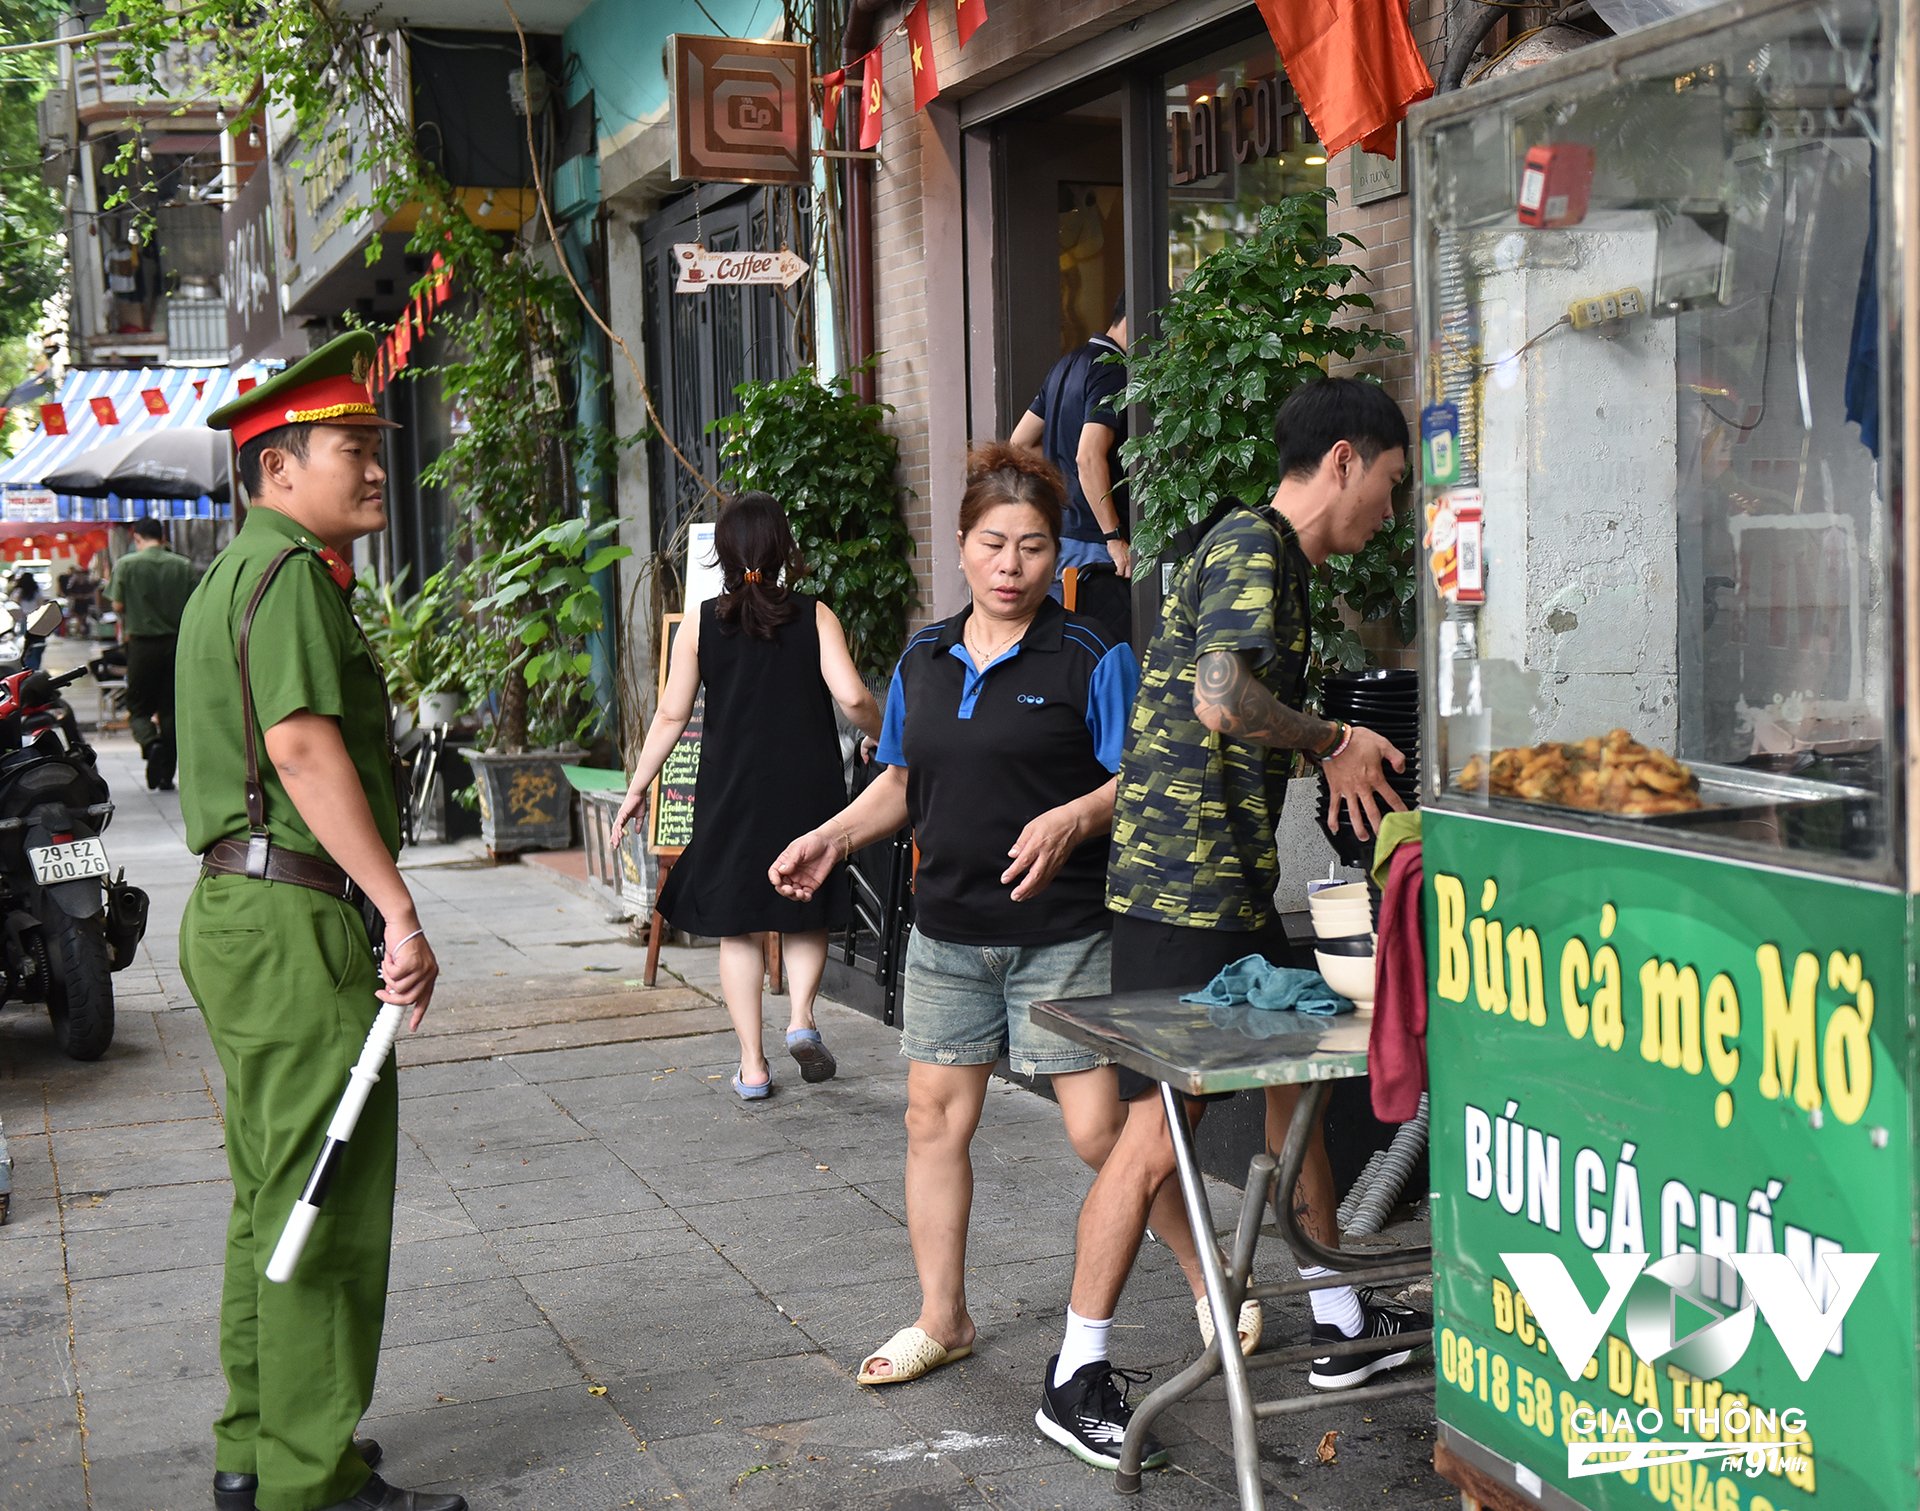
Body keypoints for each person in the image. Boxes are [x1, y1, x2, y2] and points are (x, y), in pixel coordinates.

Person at [1035, 378, 1428, 1470]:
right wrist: (1329, 740)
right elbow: (1218, 697)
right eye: (1391, 487)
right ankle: (1075, 1369)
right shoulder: (1255, 542)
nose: (1389, 516)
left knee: (1290, 1085)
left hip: (1222, 886)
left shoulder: (1273, 563)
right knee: (1156, 1133)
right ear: (1343, 460)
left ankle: (1341, 1324)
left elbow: (1193, 715)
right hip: (1185, 892)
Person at [768, 444, 1214, 1406]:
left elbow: (1137, 776)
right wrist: (831, 838)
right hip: (949, 934)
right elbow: (898, 780)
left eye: (1034, 547)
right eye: (992, 544)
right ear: (963, 549)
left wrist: (1073, 816)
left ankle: (1215, 1288)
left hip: (1063, 931)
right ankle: (944, 1317)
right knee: (934, 1122)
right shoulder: (924, 658)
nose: (1011, 564)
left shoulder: (1093, 655)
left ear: (1057, 558)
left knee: (1103, 1134)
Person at [181, 331, 463, 1511]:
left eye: (373, 447)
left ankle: (260, 1443)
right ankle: (310, 1475)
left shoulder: (232, 571)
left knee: (270, 1188)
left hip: (243, 911)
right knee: (322, 1196)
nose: (374, 469)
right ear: (278, 466)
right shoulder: (288, 573)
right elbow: (303, 748)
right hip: (293, 914)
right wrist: (398, 910)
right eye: (352, 448)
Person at [611, 493, 881, 1096]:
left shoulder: (703, 623)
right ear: (785, 547)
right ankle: (802, 1021)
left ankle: (753, 1066)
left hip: (729, 791)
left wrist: (637, 789)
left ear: (724, 556)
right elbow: (855, 699)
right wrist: (889, 740)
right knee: (804, 904)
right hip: (806, 784)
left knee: (738, 927)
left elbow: (670, 717)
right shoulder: (815, 615)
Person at [1010, 294, 1132, 587]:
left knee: (1065, 631)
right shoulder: (1113, 371)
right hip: (1097, 541)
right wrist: (1114, 538)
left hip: (1064, 534)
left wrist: (1067, 473)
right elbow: (1088, 457)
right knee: (1097, 632)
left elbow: (1020, 443)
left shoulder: (1066, 364)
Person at [108, 516, 198, 790]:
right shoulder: (182, 565)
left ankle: (150, 742)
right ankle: (166, 775)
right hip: (176, 645)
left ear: (137, 538)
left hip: (142, 647)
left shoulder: (126, 564)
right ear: (162, 536)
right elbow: (196, 605)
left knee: (138, 707)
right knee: (171, 710)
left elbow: (118, 605)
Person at [9, 570, 44, 669]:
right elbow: (41, 604)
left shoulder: (19, 591)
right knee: (36, 643)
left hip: (24, 619)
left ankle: (25, 664)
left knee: (24, 642)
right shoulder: (37, 591)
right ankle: (35, 665)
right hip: (36, 619)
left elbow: (15, 604)